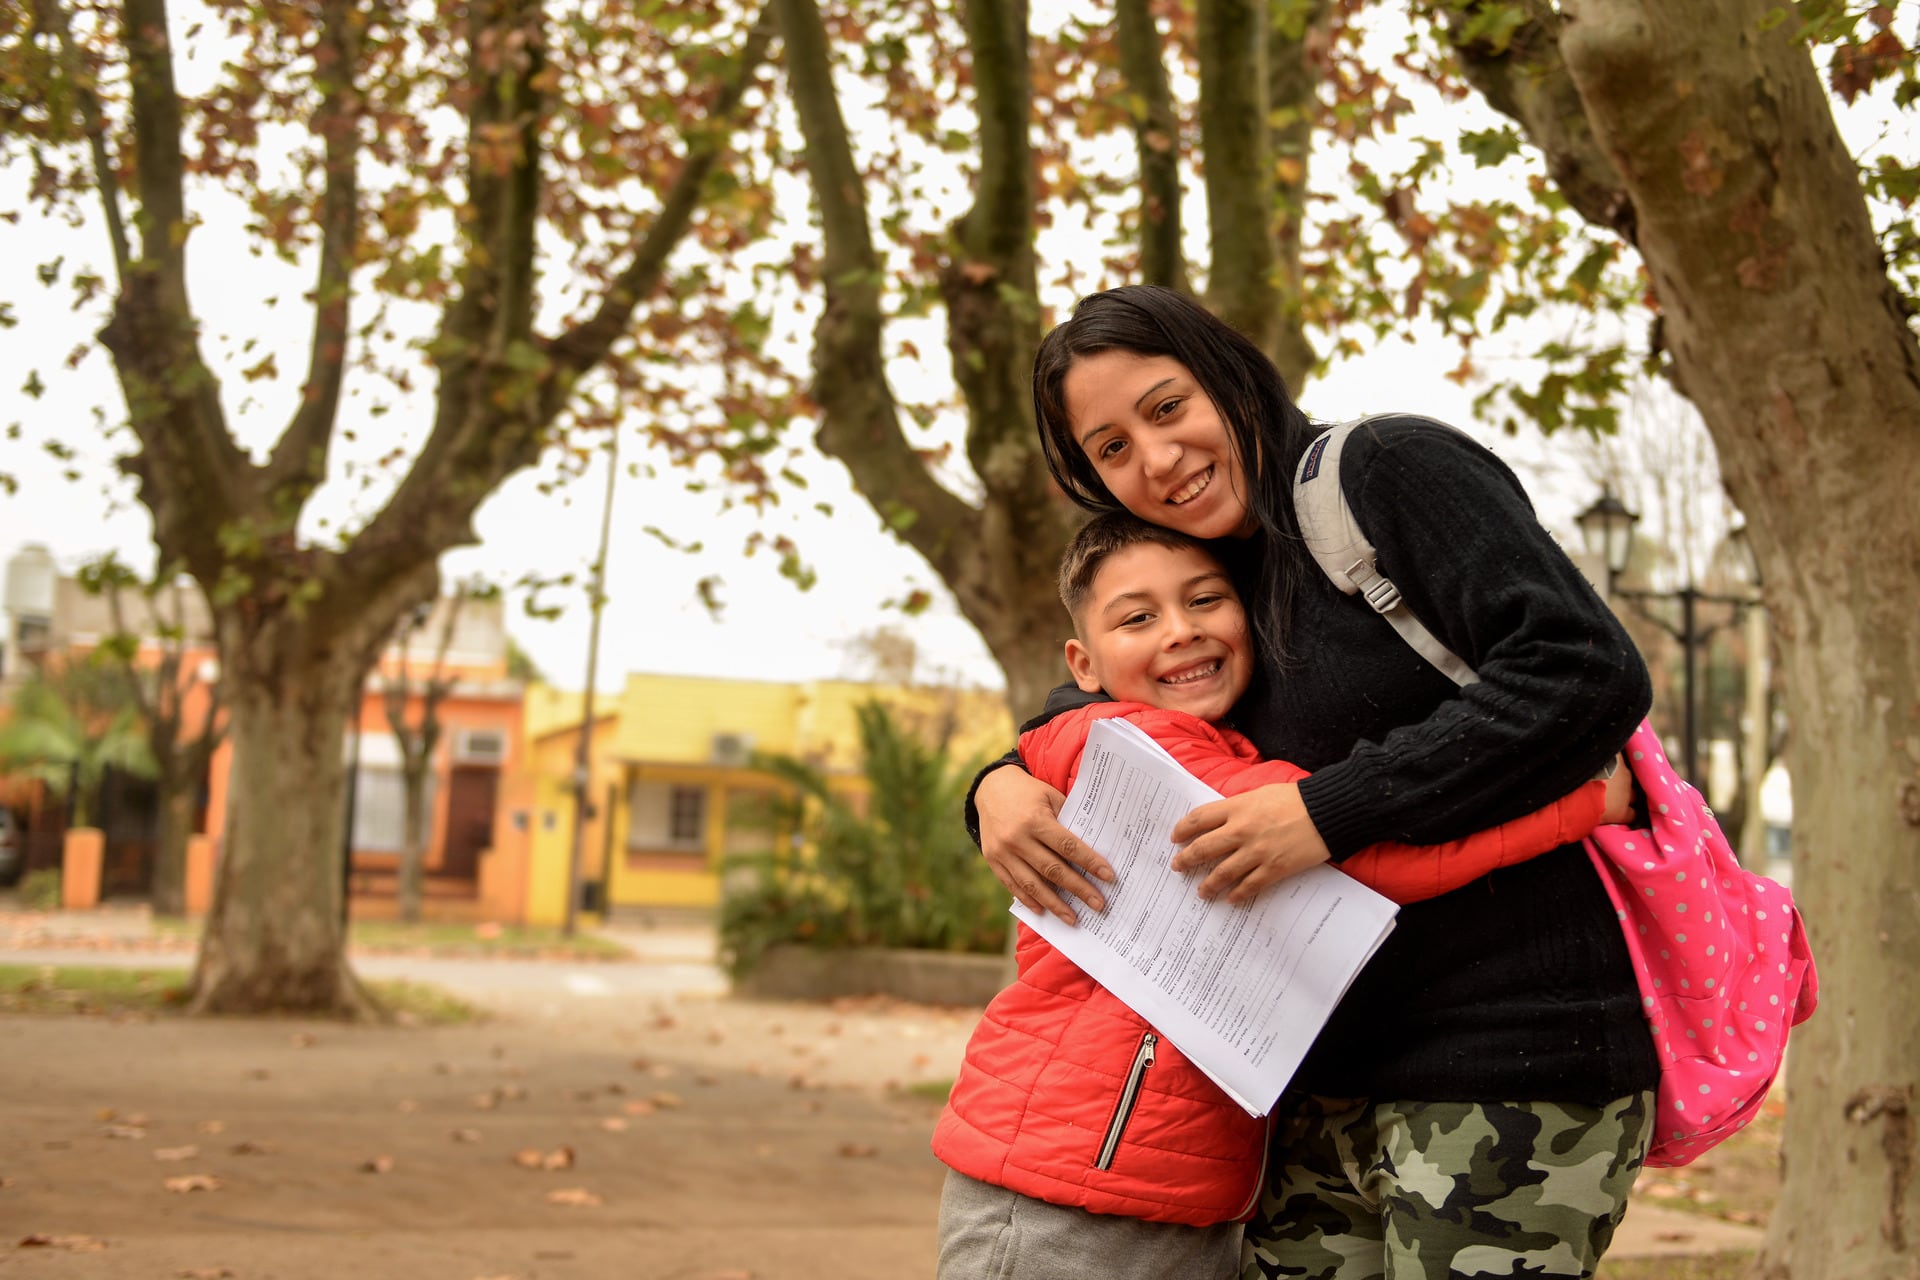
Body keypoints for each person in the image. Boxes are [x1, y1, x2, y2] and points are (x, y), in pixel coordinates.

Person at [970, 285, 1660, 1279]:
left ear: (1228, 373)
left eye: (1167, 408)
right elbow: (1104, 708)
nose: (1156, 459)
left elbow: (1585, 667)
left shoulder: (1386, 473)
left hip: (1507, 1059)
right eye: (1111, 448)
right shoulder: (1210, 571)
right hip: (1310, 1088)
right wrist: (997, 784)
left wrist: (1327, 811)